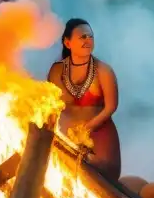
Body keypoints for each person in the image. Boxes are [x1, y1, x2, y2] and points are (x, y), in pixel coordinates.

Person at [47, 18, 121, 181]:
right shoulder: (56, 70)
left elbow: (111, 107)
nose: (88, 41)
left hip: (99, 134)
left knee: (103, 185)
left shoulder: (104, 70)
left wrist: (85, 129)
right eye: (82, 37)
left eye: (91, 37)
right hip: (66, 135)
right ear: (67, 43)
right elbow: (50, 105)